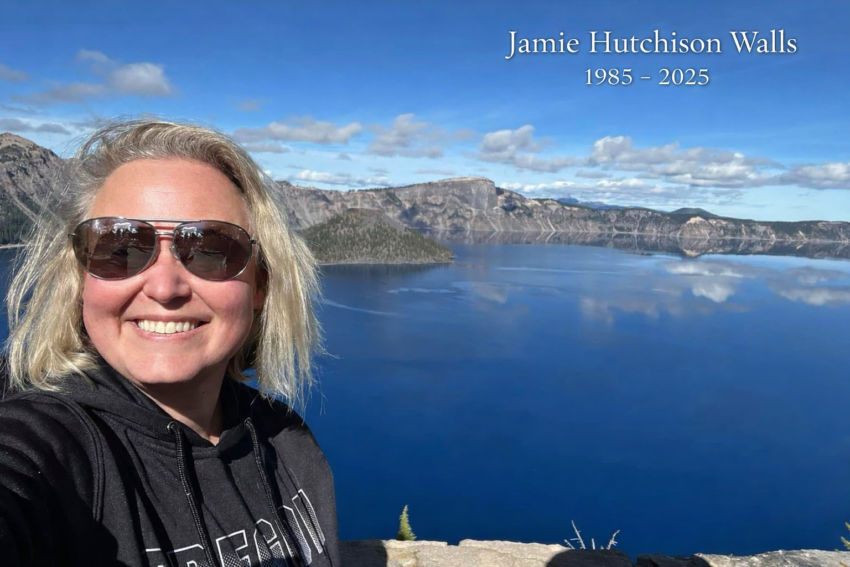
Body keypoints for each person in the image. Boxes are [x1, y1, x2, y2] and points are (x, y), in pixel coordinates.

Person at [0, 119, 340, 567]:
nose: (164, 288)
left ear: (259, 284)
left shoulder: (285, 439)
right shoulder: (45, 447)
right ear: (81, 276)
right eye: (119, 250)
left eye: (211, 250)